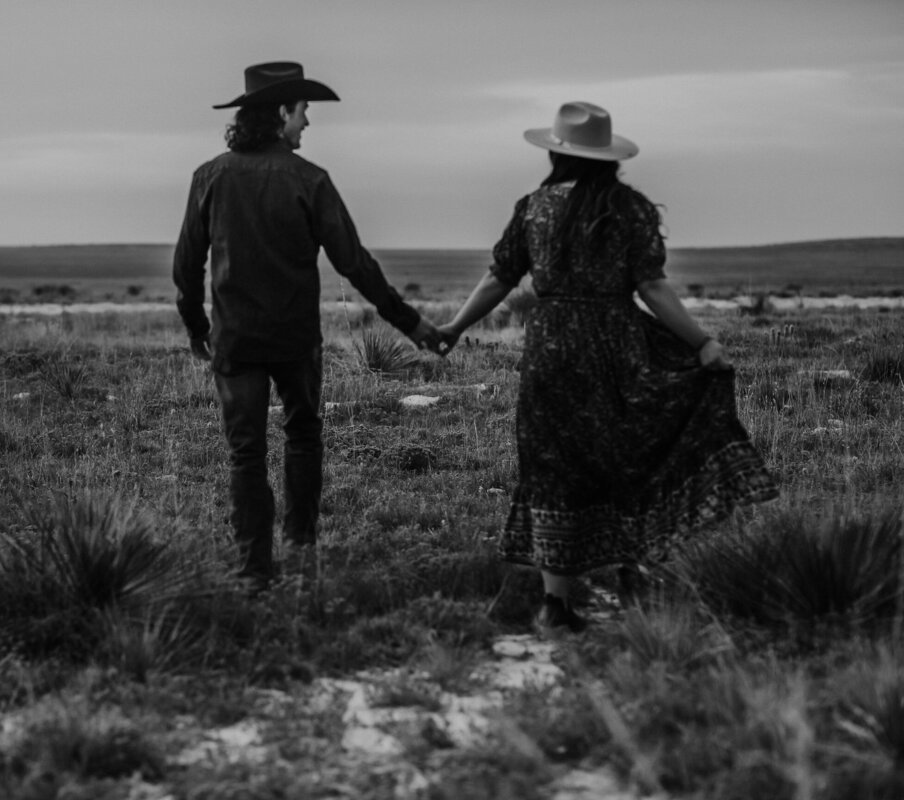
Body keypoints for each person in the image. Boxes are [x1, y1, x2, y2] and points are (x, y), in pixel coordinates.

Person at [437, 101, 778, 631]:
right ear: (608, 157)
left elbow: (498, 279)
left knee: (551, 464)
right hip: (617, 346)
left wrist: (454, 328)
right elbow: (652, 287)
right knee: (628, 454)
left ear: (556, 152)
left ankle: (556, 604)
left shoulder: (533, 207)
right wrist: (702, 342)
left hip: (550, 349)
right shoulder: (629, 208)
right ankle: (632, 574)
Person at [173, 61, 441, 591]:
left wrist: (195, 325)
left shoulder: (209, 177)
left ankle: (254, 569)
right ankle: (300, 545)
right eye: (303, 112)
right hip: (295, 340)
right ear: (280, 114)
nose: (307, 124)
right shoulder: (310, 180)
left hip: (235, 340)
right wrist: (412, 325)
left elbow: (186, 266)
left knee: (245, 452)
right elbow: (355, 264)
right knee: (303, 435)